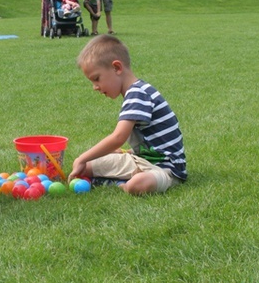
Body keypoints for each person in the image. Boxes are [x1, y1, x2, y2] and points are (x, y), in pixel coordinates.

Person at [69, 35, 187, 195]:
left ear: (117, 68)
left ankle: (120, 184)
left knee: (137, 184)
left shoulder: (138, 94)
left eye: (97, 79)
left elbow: (118, 137)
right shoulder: (134, 92)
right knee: (85, 167)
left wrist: (83, 157)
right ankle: (114, 178)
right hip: (141, 160)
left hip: (166, 169)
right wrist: (127, 153)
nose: (95, 87)